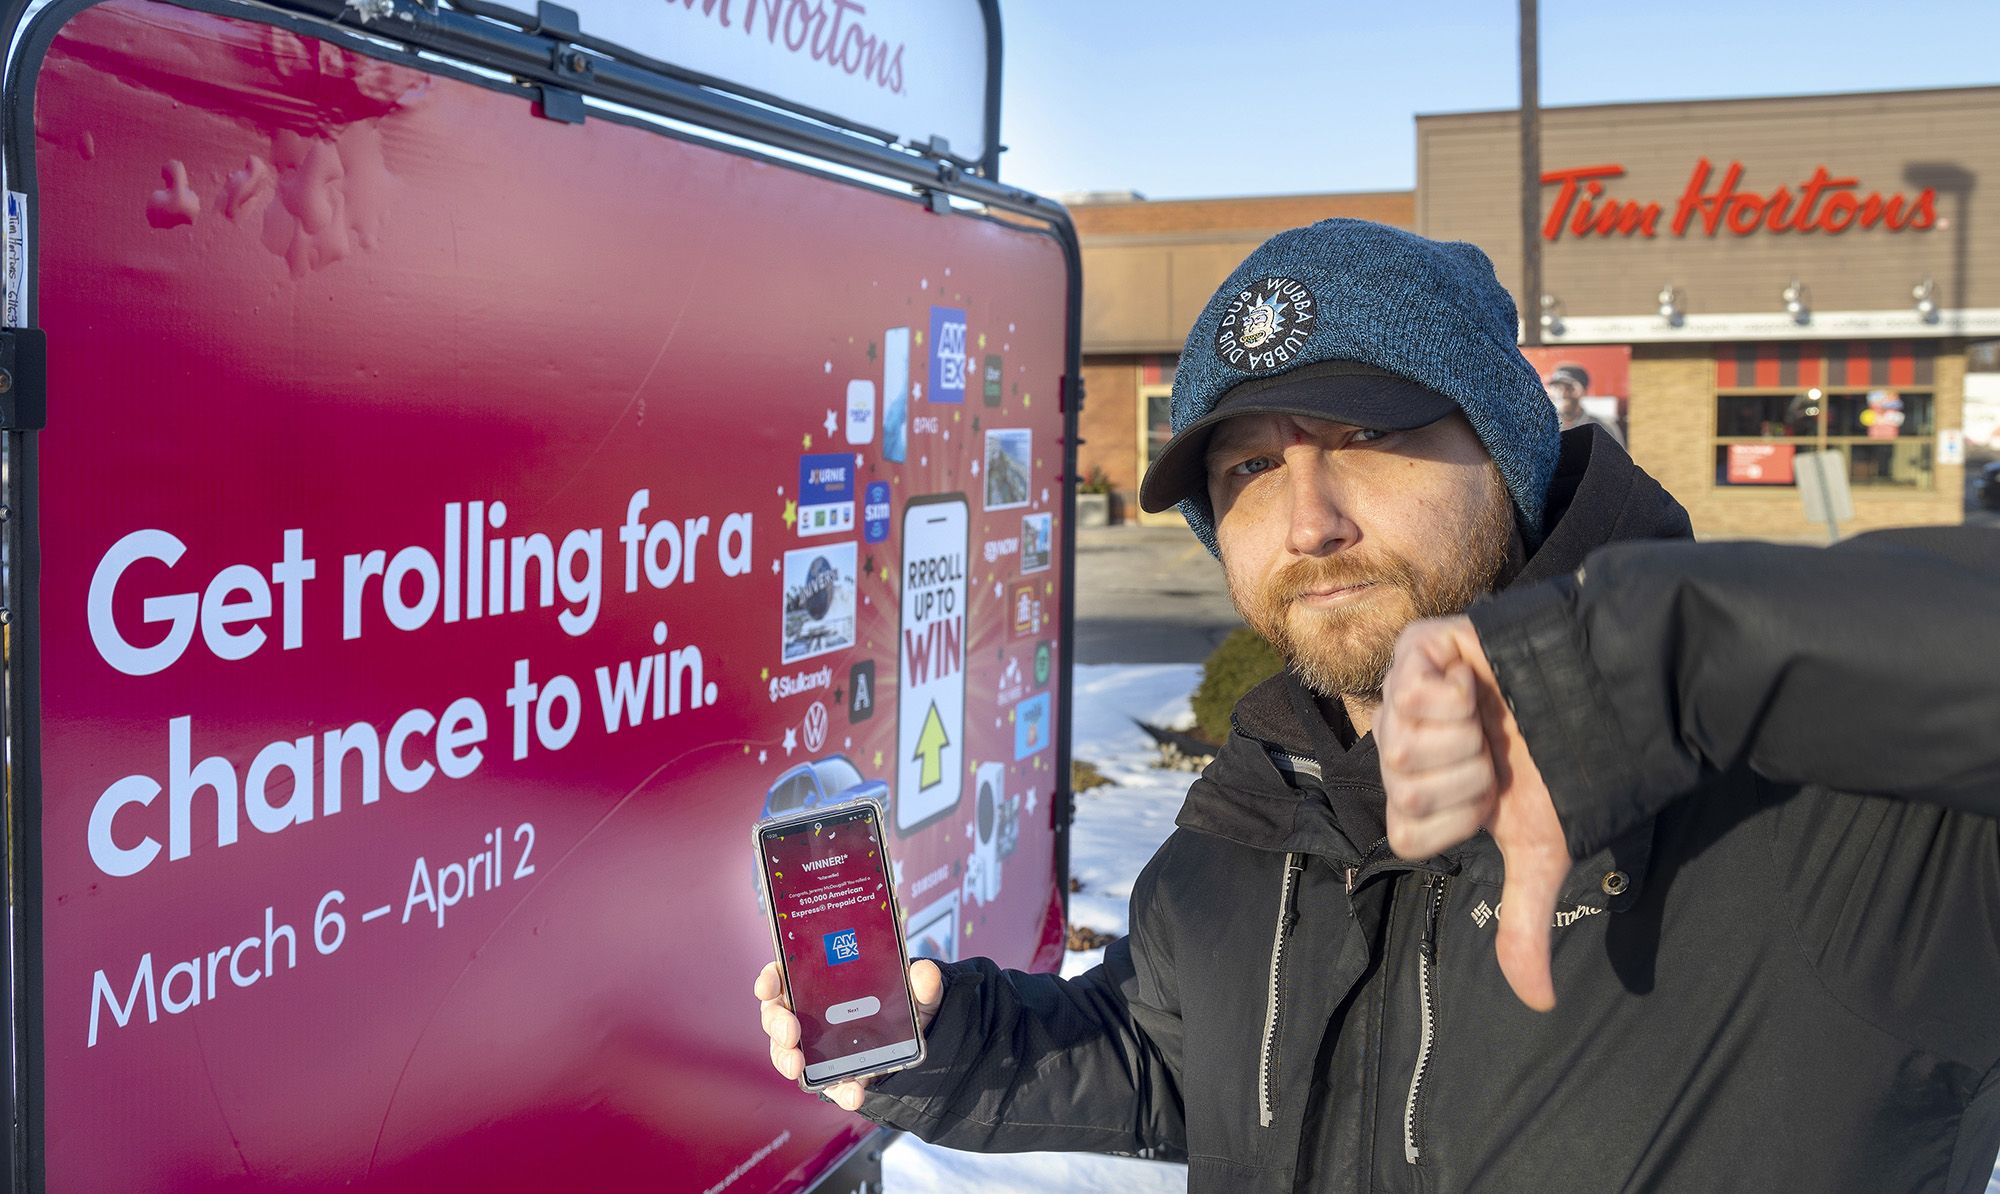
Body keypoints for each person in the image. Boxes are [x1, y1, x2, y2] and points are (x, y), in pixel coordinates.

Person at [753, 219, 2000, 1193]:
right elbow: (1179, 1063)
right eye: (1248, 467)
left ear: (1503, 449)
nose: (1308, 517)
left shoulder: (1830, 798)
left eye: (1364, 430)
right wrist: (951, 1044)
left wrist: (1626, 667)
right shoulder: (1253, 821)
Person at [1543, 359, 1625, 445]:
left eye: (1570, 388)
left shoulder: (1603, 428)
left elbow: (1618, 458)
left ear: (1584, 391)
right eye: (1557, 388)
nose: (1562, 394)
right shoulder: (1543, 428)